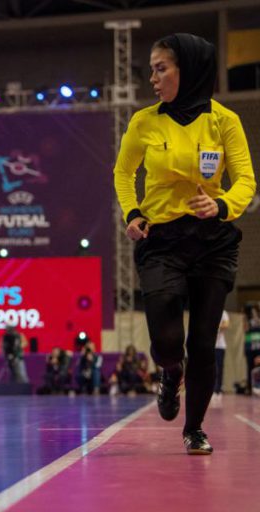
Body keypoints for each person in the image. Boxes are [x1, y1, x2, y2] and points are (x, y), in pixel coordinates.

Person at [113, 33, 256, 454]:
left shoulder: (224, 121)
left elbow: (246, 179)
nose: (153, 79)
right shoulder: (144, 122)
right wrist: (133, 213)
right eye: (152, 70)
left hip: (212, 240)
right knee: (169, 337)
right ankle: (169, 372)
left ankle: (194, 429)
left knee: (203, 340)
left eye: (162, 69)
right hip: (162, 240)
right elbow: (123, 174)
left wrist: (223, 204)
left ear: (188, 70)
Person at [243, 303, 260, 395]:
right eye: (251, 310)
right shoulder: (246, 320)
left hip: (258, 347)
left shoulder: (258, 320)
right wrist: (246, 317)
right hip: (249, 347)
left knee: (258, 367)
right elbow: (245, 330)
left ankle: (258, 386)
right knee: (249, 368)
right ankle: (249, 388)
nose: (253, 312)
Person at [213, 310, 229, 398]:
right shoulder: (209, 311)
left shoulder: (224, 313)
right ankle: (210, 389)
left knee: (219, 368)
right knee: (211, 368)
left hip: (220, 346)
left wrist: (215, 326)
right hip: (210, 345)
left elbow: (226, 324)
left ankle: (217, 389)